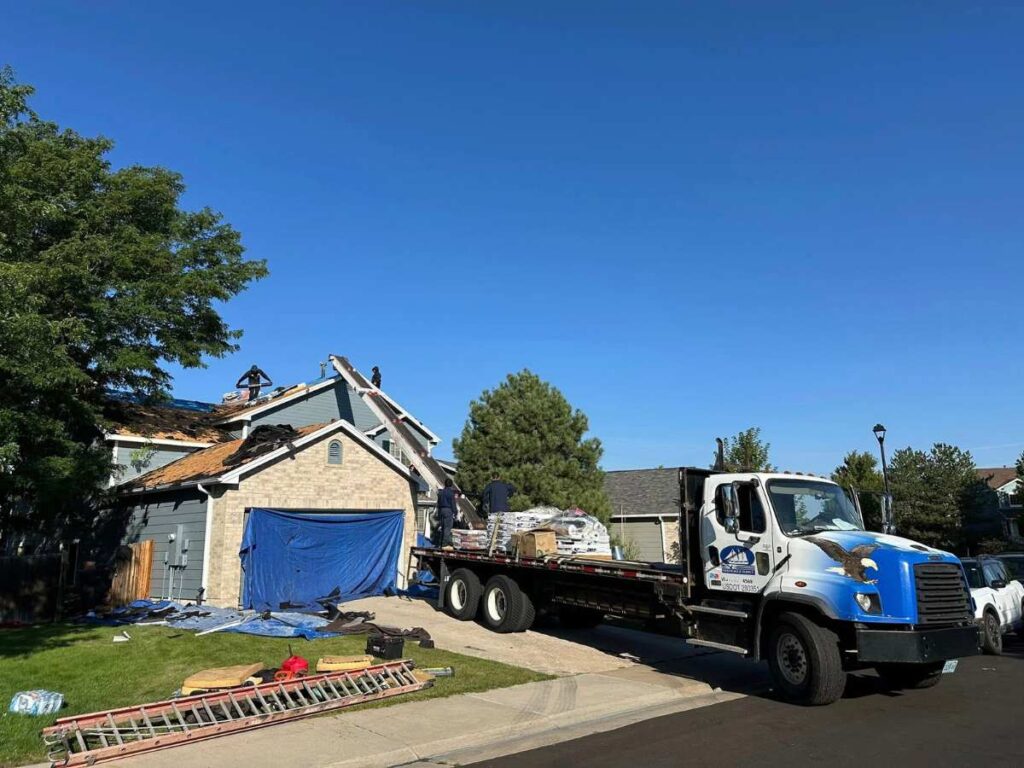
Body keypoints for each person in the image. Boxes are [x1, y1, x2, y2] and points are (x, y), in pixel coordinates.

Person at [435, 478, 459, 548]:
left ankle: (440, 543)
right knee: (447, 527)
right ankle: (445, 544)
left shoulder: (441, 493)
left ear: (445, 484)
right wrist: (455, 512)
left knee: (442, 527)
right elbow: (453, 504)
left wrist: (439, 512)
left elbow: (438, 503)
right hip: (448, 510)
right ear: (451, 485)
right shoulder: (451, 493)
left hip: (441, 510)